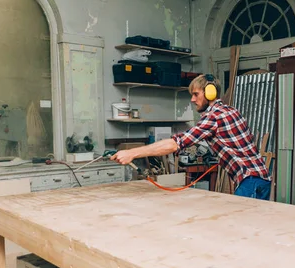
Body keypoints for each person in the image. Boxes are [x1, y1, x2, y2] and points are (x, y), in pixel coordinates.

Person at [111, 74, 272, 200]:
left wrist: (131, 153)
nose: (192, 99)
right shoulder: (230, 110)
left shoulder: (214, 117)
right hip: (259, 178)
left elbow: (176, 143)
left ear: (210, 93)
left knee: (241, 229)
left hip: (251, 181)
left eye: (196, 94)